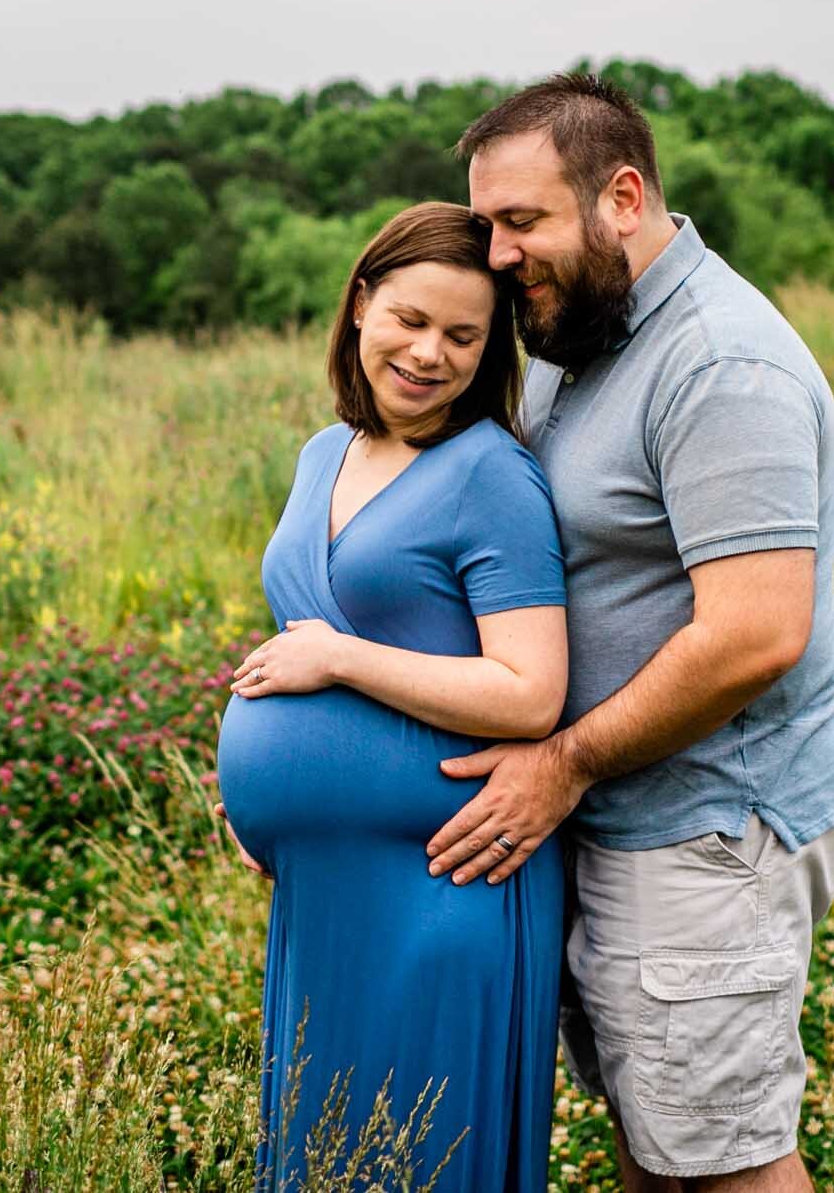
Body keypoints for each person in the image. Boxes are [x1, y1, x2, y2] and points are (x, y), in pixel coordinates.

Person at [425, 74, 834, 1191]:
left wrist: (563, 762)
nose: (494, 255)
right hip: (629, 816)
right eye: (484, 224)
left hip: (708, 825)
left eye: (520, 221)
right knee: (660, 1144)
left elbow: (752, 636)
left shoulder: (722, 364)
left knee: (725, 1165)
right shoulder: (585, 331)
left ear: (620, 197)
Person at [213, 201, 569, 1192]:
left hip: (442, 882)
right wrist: (260, 797)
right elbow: (303, 634)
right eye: (410, 320)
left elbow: (528, 691)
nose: (429, 354)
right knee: (328, 1159)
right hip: (323, 890)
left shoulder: (492, 475)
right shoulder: (321, 454)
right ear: (361, 303)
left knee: (421, 1159)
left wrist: (340, 666)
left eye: (462, 335)